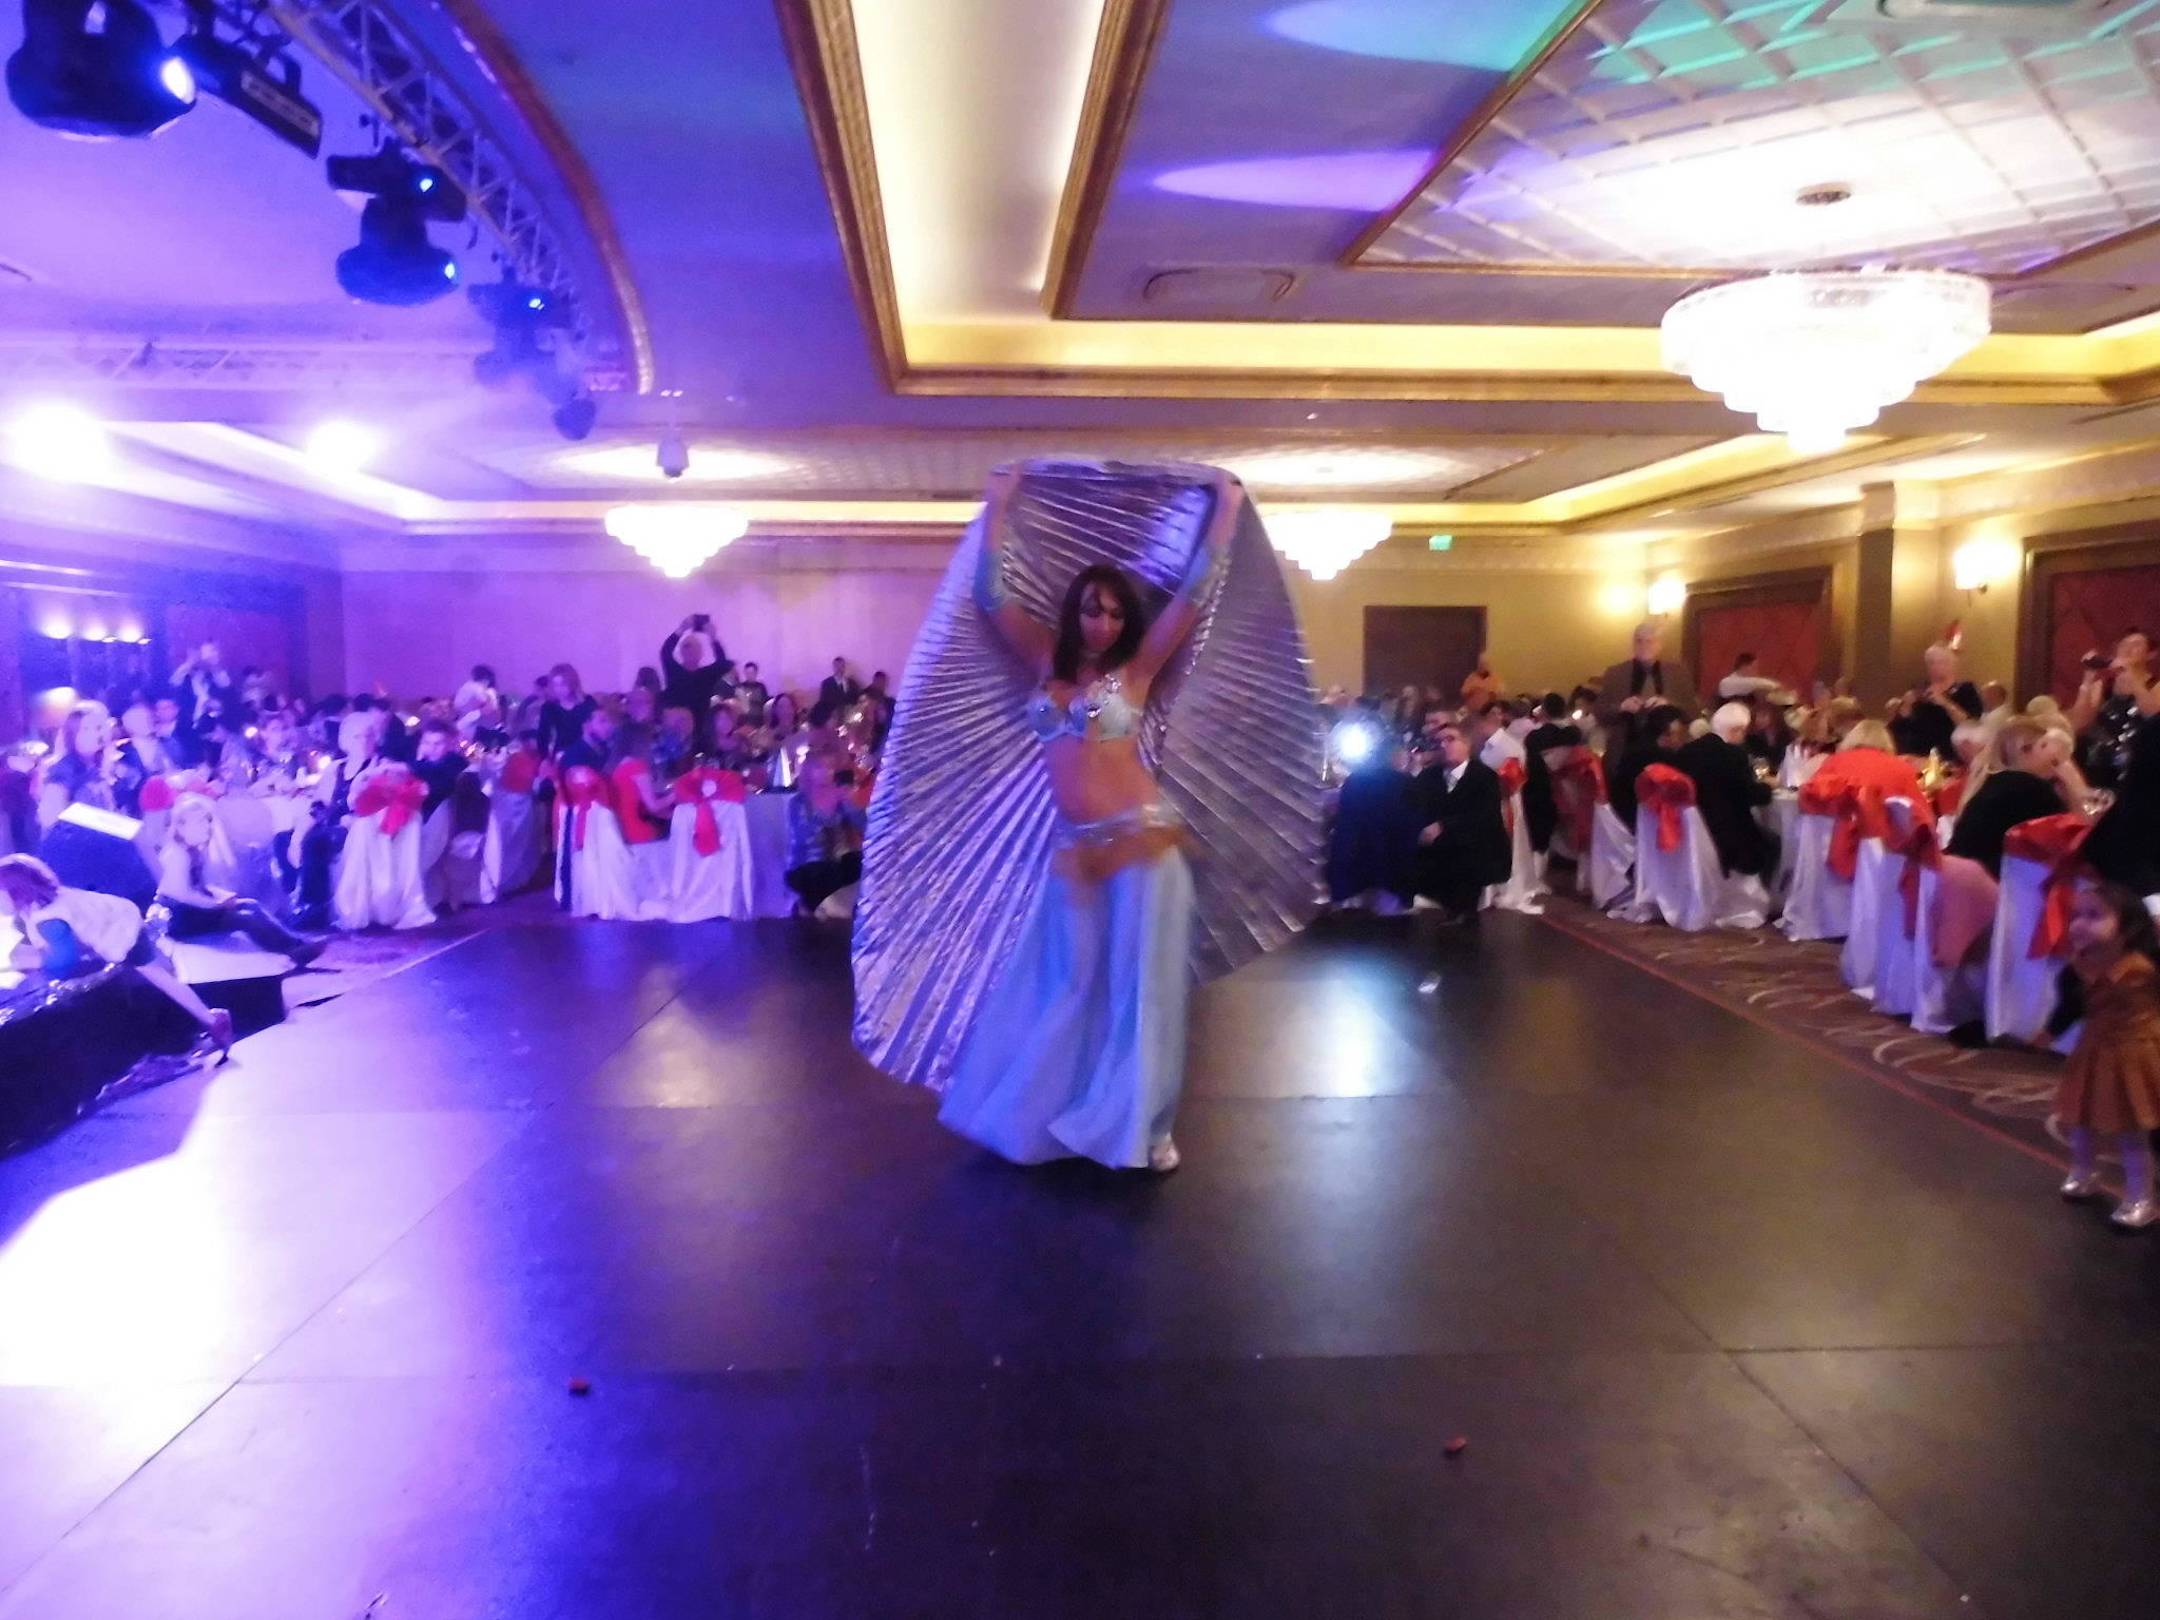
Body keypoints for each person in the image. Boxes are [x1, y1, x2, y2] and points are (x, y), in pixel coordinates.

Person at [930, 465, 1241, 1174]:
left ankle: (1144, 1128)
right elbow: (990, 592)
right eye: (1093, 610)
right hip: (1077, 850)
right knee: (1065, 983)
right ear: (1074, 612)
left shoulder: (1138, 670)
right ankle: (1059, 1112)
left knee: (1140, 989)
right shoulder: (1044, 659)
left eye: (1115, 614)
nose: (1103, 623)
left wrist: (1225, 505)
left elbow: (1196, 591)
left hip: (1143, 844)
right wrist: (998, 502)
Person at [0, 852, 232, 1058]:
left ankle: (207, 1024)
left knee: (158, 981)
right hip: (124, 921)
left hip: (122, 937)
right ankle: (208, 1021)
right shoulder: (47, 901)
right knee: (160, 978)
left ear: (16, 891)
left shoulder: (47, 919)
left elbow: (65, 961)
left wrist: (32, 964)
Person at [2040, 881, 2159, 1229]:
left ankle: (2141, 1197)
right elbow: (2070, 1007)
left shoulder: (2147, 964)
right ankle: (2084, 1172)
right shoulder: (2076, 968)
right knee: (2080, 1118)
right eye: (2076, 915)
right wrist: (2048, 1033)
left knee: (2132, 1129)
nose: (2080, 923)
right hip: (2094, 1051)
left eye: (2094, 916)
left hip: (2139, 1053)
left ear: (2129, 927)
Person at [157, 795, 323, 965]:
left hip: (189, 911)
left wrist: (221, 895)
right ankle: (290, 952)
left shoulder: (192, 850)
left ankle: (295, 943)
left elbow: (198, 885)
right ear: (181, 827)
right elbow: (182, 894)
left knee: (250, 905)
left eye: (207, 820)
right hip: (180, 919)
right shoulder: (177, 854)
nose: (207, 826)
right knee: (243, 919)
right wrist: (215, 904)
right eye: (200, 822)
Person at [1411, 719, 1509, 925]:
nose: (1444, 745)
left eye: (1450, 739)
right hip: (1438, 842)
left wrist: (1443, 826)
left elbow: (1484, 815)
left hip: (1472, 842)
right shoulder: (1430, 776)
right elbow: (1416, 805)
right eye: (1440, 742)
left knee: (1466, 852)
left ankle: (1464, 909)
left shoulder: (1484, 777)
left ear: (1467, 744)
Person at [1946, 717, 2070, 876]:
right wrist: (2072, 780)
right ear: (2017, 755)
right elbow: (2071, 845)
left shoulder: (1994, 783)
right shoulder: (2024, 787)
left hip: (1962, 878)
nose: (2051, 752)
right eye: (2042, 745)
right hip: (1984, 883)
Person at [1675, 703, 1774, 877]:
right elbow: (1749, 795)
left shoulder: (1685, 752)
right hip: (1730, 834)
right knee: (1774, 844)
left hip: (1695, 830)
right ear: (1737, 730)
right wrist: (1768, 787)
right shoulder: (1733, 755)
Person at [2067, 628, 2158, 792]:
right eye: (2123, 645)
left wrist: (2132, 676)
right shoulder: (2102, 686)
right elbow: (2079, 724)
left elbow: (2153, 716)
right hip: (2099, 765)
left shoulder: (2155, 686)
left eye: (2136, 645)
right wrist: (2088, 678)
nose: (2128, 649)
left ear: (2150, 654)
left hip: (2138, 767)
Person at [1594, 620, 1700, 760]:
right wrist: (1621, 707)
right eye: (1639, 641)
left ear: (1660, 644)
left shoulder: (1678, 673)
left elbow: (1694, 712)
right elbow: (1599, 712)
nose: (1643, 646)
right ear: (1633, 644)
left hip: (1669, 750)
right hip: (1626, 750)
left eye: (1649, 641)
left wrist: (1669, 705)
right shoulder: (1615, 673)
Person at [784, 753, 867, 914]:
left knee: (862, 865)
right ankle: (810, 911)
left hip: (835, 860)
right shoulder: (799, 802)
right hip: (806, 863)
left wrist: (849, 803)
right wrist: (826, 811)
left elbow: (864, 825)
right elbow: (804, 837)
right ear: (809, 772)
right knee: (826, 873)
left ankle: (847, 916)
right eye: (820, 767)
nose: (827, 771)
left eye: (829, 767)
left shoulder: (838, 796)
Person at [1888, 643, 1982, 759]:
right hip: (1917, 756)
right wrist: (1905, 708)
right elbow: (1897, 730)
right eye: (1931, 662)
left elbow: (1970, 725)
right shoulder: (1919, 691)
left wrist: (1945, 703)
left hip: (1949, 757)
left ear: (1952, 665)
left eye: (1941, 662)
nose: (1935, 667)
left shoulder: (1965, 690)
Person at [1607, 704, 1689, 833]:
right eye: (1680, 734)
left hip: (1625, 819)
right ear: (1666, 734)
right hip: (1639, 824)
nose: (1684, 740)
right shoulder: (1655, 757)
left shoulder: (1637, 747)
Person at [1520, 694, 1584, 857]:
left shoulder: (1535, 737)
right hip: (1573, 790)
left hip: (1542, 792)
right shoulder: (1575, 733)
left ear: (1544, 711)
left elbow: (1531, 768)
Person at [37, 700, 118, 827]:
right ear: (72, 735)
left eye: (98, 728)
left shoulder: (103, 767)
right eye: (85, 729)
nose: (95, 735)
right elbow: (50, 820)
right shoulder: (63, 770)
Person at [661, 616, 732, 716]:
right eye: (686, 647)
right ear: (681, 651)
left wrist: (713, 638)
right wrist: (681, 629)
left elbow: (722, 664)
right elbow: (665, 652)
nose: (690, 651)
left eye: (694, 647)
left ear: (701, 653)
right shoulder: (674, 671)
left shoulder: (706, 675)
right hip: (677, 724)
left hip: (701, 724)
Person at [169, 641, 234, 737]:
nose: (205, 658)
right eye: (203, 653)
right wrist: (190, 662)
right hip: (186, 731)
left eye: (212, 652)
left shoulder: (214, 677)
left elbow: (225, 685)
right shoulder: (184, 678)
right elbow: (174, 681)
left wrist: (214, 664)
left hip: (213, 732)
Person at [536, 664, 597, 760]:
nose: (559, 689)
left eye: (563, 685)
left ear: (572, 683)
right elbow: (542, 737)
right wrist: (545, 759)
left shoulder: (588, 703)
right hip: (562, 755)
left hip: (586, 752)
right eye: (555, 685)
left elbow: (598, 730)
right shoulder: (549, 707)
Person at [1716, 651, 1782, 702]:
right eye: (1754, 667)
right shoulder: (1727, 682)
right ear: (1744, 667)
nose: (1756, 671)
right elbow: (1755, 683)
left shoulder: (1746, 684)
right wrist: (1776, 686)